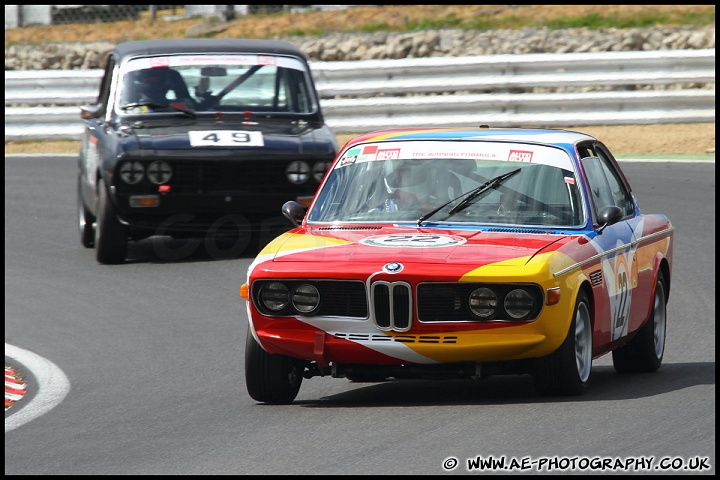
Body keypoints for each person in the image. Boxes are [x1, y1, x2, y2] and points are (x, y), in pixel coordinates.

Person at [123, 67, 192, 107]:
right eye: (150, 83)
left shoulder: (182, 110)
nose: (153, 89)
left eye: (158, 82)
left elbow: (187, 101)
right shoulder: (129, 109)